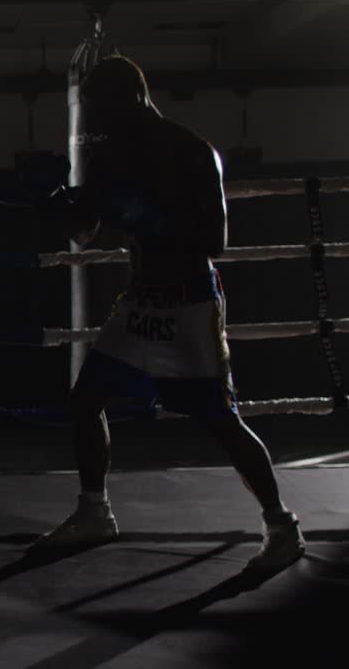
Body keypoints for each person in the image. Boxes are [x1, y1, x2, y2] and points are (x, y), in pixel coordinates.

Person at [32, 54, 305, 575]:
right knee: (86, 399)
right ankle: (94, 513)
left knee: (219, 418)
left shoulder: (192, 151)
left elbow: (215, 241)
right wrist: (51, 198)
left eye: (103, 110)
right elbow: (83, 230)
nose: (98, 122)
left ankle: (282, 525)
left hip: (189, 302)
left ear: (134, 98)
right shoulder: (109, 155)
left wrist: (148, 217)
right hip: (141, 300)